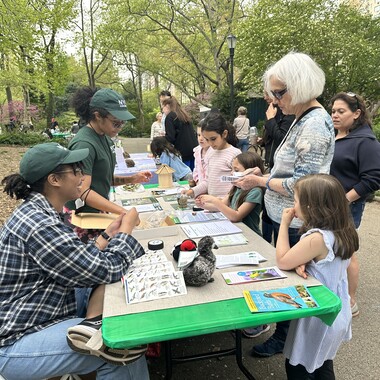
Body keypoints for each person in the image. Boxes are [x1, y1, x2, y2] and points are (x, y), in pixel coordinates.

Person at [0, 143, 149, 379]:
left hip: (43, 306)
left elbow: (78, 260)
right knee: (121, 347)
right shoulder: (40, 225)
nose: (81, 176)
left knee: (109, 298)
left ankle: (90, 331)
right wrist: (125, 232)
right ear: (54, 180)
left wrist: (107, 235)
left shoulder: (41, 210)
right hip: (17, 338)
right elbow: (108, 268)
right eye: (75, 170)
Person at [234, 52, 335, 357]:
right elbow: (289, 170)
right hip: (283, 218)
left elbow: (304, 186)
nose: (275, 100)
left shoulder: (314, 125)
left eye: (279, 93)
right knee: (281, 277)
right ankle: (283, 334)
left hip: (294, 221)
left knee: (290, 282)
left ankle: (286, 340)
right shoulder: (302, 118)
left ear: (300, 85)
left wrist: (261, 182)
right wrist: (262, 172)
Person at [276, 174, 358, 379]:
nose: (293, 206)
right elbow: (348, 266)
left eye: (295, 201)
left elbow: (283, 260)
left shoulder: (317, 238)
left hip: (317, 314)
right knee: (322, 362)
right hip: (338, 308)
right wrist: (351, 296)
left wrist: (284, 224)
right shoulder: (345, 230)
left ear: (311, 207)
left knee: (299, 367)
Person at [66, 87, 152, 242]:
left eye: (122, 123)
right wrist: (122, 212)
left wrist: (130, 179)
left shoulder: (104, 137)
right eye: (116, 123)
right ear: (98, 116)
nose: (119, 127)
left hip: (99, 215)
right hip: (84, 219)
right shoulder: (84, 144)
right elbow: (83, 191)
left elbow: (101, 178)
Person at [330, 92, 380, 317]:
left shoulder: (366, 141)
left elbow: (373, 178)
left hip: (347, 206)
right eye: (333, 111)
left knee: (346, 251)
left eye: (341, 111)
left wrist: (345, 199)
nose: (335, 115)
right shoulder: (335, 135)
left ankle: (351, 300)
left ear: (357, 113)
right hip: (327, 204)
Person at [195, 151, 264, 236]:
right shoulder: (236, 187)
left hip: (251, 235)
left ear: (250, 172)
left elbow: (236, 216)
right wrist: (202, 205)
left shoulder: (255, 191)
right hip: (236, 230)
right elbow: (222, 206)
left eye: (236, 170)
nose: (231, 173)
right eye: (232, 169)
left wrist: (214, 200)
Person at [260, 92, 295, 244]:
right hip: (271, 165)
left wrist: (270, 120)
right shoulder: (277, 112)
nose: (268, 98)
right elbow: (274, 138)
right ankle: (267, 242)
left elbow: (282, 138)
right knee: (267, 214)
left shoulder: (289, 116)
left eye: (271, 94)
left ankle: (271, 243)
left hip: (282, 175)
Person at [185, 111, 241, 199]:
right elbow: (208, 181)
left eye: (213, 139)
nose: (210, 143)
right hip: (211, 204)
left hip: (227, 206)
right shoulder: (210, 152)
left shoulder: (235, 154)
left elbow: (239, 183)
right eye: (207, 139)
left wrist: (224, 201)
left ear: (224, 134)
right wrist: (192, 191)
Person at [162, 96, 198, 171]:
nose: (163, 111)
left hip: (182, 151)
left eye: (163, 108)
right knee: (194, 174)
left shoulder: (170, 117)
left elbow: (171, 138)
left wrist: (163, 138)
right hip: (194, 149)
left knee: (185, 175)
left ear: (167, 106)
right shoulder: (184, 115)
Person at [192, 121, 212, 186]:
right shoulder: (197, 151)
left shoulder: (214, 152)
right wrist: (196, 180)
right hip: (200, 187)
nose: (200, 138)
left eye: (203, 135)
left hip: (211, 189)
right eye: (198, 135)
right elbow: (196, 169)